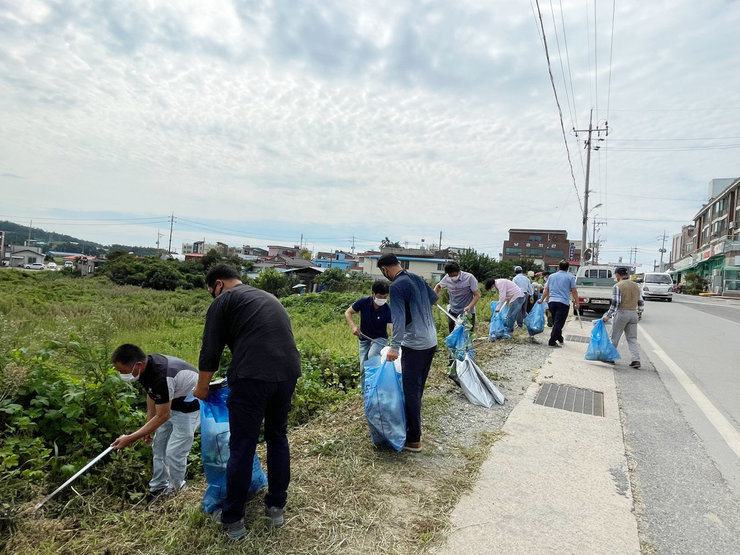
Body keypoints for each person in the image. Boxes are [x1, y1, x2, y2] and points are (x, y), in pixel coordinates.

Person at [193, 264, 301, 540]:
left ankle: (234, 520)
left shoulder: (224, 301)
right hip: (287, 373)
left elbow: (210, 351)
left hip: (252, 376)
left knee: (242, 445)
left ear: (218, 285)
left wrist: (202, 387)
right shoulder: (267, 297)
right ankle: (276, 508)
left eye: (211, 293)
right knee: (278, 437)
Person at [111, 344, 200, 498]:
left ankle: (178, 491)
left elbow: (163, 416)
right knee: (159, 447)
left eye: (122, 371)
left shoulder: (161, 375)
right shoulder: (145, 368)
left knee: (174, 452)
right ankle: (158, 487)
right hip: (169, 402)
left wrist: (131, 438)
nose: (121, 374)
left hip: (189, 408)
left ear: (137, 365)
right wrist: (149, 425)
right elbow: (152, 394)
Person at [377, 254, 438, 453]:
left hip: (415, 344)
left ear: (385, 270)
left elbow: (399, 319)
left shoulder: (396, 286)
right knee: (417, 388)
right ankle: (414, 428)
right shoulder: (417, 278)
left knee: (410, 390)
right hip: (431, 341)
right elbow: (434, 299)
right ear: (400, 264)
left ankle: (413, 440)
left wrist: (394, 347)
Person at [344, 280, 393, 385]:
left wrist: (395, 344)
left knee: (372, 356)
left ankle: (376, 384)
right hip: (364, 338)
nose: (382, 300)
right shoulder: (364, 302)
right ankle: (365, 391)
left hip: (380, 338)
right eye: (380, 297)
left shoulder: (387, 308)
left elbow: (391, 326)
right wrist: (353, 327)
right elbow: (348, 312)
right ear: (373, 294)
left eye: (385, 297)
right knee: (363, 367)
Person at [602, 267, 644, 368]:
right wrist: (639, 314)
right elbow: (641, 302)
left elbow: (615, 303)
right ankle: (636, 360)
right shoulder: (636, 286)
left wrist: (608, 315)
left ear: (617, 275)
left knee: (614, 337)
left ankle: (611, 358)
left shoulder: (618, 286)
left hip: (622, 313)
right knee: (632, 338)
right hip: (633, 313)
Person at [539, 261, 579, 347]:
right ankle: (552, 341)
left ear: (558, 267)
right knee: (559, 323)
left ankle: (560, 337)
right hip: (563, 303)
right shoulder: (570, 277)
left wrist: (542, 299)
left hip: (552, 302)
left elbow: (546, 289)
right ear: (567, 268)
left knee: (555, 322)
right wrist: (577, 302)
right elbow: (574, 291)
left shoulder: (552, 276)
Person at [433, 261, 480, 334]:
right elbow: (438, 286)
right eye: (450, 275)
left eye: (454, 275)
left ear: (458, 271)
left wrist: (469, 306)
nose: (452, 277)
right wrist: (433, 297)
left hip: (467, 312)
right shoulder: (447, 278)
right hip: (453, 311)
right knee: (453, 334)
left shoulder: (469, 278)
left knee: (467, 335)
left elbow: (477, 295)